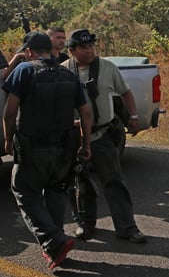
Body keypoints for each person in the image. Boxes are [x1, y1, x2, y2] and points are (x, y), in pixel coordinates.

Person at [2, 31, 92, 269]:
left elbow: (10, 111)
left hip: (33, 148)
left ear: (29, 52)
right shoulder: (68, 73)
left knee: (23, 190)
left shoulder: (24, 70)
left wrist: (8, 140)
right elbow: (85, 112)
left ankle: (53, 239)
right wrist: (86, 144)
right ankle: (57, 243)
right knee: (55, 190)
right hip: (63, 149)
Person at [61, 28, 146, 243]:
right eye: (83, 47)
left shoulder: (108, 67)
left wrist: (133, 117)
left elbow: (125, 92)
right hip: (75, 137)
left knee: (114, 182)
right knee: (79, 184)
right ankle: (85, 225)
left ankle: (127, 227)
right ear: (72, 50)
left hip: (102, 135)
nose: (89, 50)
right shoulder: (63, 71)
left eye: (91, 46)